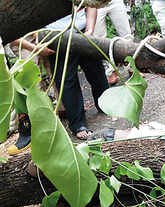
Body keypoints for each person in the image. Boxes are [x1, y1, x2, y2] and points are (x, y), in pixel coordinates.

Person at [46, 7, 109, 140]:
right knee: (67, 80)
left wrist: (90, 29)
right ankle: (78, 124)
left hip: (82, 32)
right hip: (57, 38)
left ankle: (106, 105)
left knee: (96, 70)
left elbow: (91, 4)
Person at [6, 36, 55, 155]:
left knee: (32, 79)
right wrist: (34, 48)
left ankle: (39, 125)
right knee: (24, 81)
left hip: (40, 34)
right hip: (20, 39)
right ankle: (27, 127)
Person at [94, 0, 132, 84]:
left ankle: (132, 67)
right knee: (100, 40)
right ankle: (111, 71)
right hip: (95, 4)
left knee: (126, 35)